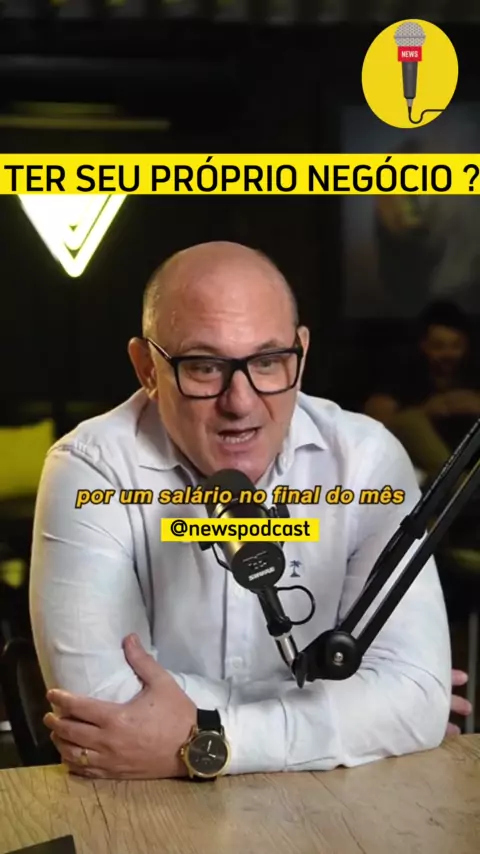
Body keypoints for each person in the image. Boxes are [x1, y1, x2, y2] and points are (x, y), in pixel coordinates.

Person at [30, 242, 470, 782]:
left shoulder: (365, 461)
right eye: (204, 366)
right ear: (147, 368)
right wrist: (353, 714)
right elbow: (102, 704)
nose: (240, 402)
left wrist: (205, 739)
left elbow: (414, 695)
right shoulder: (90, 470)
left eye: (267, 362)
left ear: (300, 355)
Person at [364, 301, 480, 481]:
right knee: (411, 420)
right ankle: (455, 483)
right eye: (438, 347)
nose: (448, 354)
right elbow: (373, 423)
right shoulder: (404, 372)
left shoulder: (473, 371)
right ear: (423, 345)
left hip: (468, 459)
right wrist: (428, 410)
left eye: (456, 346)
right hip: (415, 464)